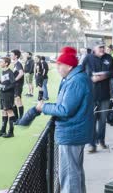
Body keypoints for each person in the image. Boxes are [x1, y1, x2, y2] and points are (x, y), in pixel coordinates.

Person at [36, 47, 94, 193]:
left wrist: (44, 107)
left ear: (68, 66)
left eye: (59, 65)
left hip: (72, 132)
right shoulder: (75, 78)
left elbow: (65, 110)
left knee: (69, 175)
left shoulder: (76, 81)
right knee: (75, 172)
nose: (57, 68)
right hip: (74, 132)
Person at [82, 42, 113, 153]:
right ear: (94, 48)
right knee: (92, 120)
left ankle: (101, 141)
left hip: (105, 95)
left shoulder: (109, 58)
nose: (102, 49)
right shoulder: (88, 58)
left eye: (103, 47)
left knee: (102, 121)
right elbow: (80, 72)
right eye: (100, 47)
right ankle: (92, 145)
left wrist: (105, 75)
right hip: (91, 95)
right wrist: (90, 78)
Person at [0, 57, 16, 138]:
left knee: (9, 111)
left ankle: (11, 132)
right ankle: (3, 130)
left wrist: (5, 88)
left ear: (6, 63)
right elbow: (3, 83)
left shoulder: (10, 72)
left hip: (8, 95)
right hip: (2, 94)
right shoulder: (2, 72)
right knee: (3, 111)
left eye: (1, 61)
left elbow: (13, 84)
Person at [10, 50, 24, 121]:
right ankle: (16, 118)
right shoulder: (15, 64)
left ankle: (21, 119)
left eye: (12, 55)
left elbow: (21, 73)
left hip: (18, 85)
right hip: (15, 86)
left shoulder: (18, 64)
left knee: (18, 101)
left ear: (16, 56)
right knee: (14, 102)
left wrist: (15, 80)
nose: (10, 56)